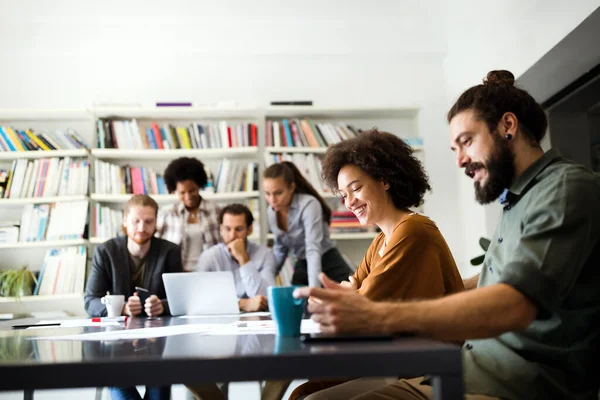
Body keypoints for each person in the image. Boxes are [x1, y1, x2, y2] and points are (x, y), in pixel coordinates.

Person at [294, 70, 600, 400]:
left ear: (508, 127)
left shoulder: (564, 189)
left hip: (517, 386)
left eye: (466, 141)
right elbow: (501, 279)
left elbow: (514, 304)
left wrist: (374, 314)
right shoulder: (520, 198)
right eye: (455, 148)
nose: (459, 160)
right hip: (468, 369)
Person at [289, 130, 465, 399]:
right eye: (344, 195)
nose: (350, 202)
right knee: (304, 392)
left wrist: (352, 295)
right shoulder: (382, 240)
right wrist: (351, 294)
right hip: (394, 357)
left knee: (310, 397)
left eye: (356, 188)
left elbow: (358, 304)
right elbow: (353, 293)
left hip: (427, 368)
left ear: (384, 180)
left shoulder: (413, 230)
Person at [85, 194, 183, 400]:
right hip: (114, 343)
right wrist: (121, 309)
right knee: (123, 392)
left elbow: (180, 300)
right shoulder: (106, 251)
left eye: (148, 221)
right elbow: (91, 301)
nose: (141, 227)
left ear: (156, 222)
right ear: (125, 220)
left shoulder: (169, 251)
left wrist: (162, 306)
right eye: (136, 221)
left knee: (159, 393)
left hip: (158, 341)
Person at [262, 161, 352, 288]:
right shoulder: (271, 212)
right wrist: (266, 282)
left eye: (278, 193)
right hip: (303, 262)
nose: (272, 200)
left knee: (345, 302)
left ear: (291, 188)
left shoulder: (309, 204)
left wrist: (313, 289)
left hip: (328, 261)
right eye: (267, 193)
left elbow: (313, 249)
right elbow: (280, 249)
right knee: (295, 300)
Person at [196, 203, 278, 312]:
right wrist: (242, 304)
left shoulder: (265, 254)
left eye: (239, 229)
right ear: (221, 229)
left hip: (258, 320)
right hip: (220, 320)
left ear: (249, 229)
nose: (232, 235)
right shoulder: (209, 257)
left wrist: (243, 258)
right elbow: (199, 298)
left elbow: (265, 297)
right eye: (227, 229)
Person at [156, 157, 220, 271]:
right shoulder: (167, 214)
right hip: (176, 272)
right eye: (182, 192)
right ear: (174, 190)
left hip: (209, 272)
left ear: (199, 186)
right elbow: (155, 245)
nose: (188, 196)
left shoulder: (215, 211)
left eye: (192, 190)